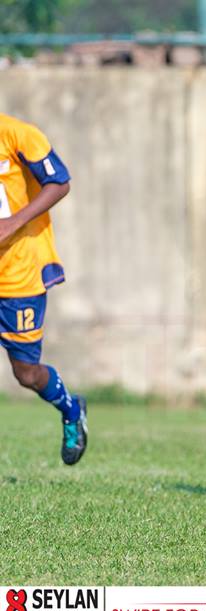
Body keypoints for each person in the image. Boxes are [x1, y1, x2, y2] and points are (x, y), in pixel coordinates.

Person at [0, 113, 88, 465]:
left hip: (19, 274)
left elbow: (59, 181)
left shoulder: (18, 134)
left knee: (26, 373)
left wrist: (13, 222)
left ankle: (70, 408)